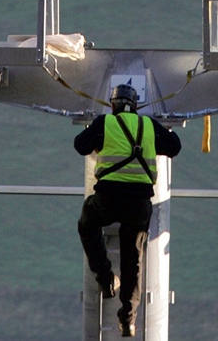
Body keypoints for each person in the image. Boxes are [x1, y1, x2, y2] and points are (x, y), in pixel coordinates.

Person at [74, 84, 181, 337]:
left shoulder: (105, 123)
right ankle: (127, 319)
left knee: (87, 224)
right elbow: (174, 146)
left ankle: (106, 277)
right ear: (135, 106)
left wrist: (95, 133)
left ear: (113, 105)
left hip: (108, 198)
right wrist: (158, 132)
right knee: (133, 259)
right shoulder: (148, 126)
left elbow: (80, 146)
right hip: (139, 204)